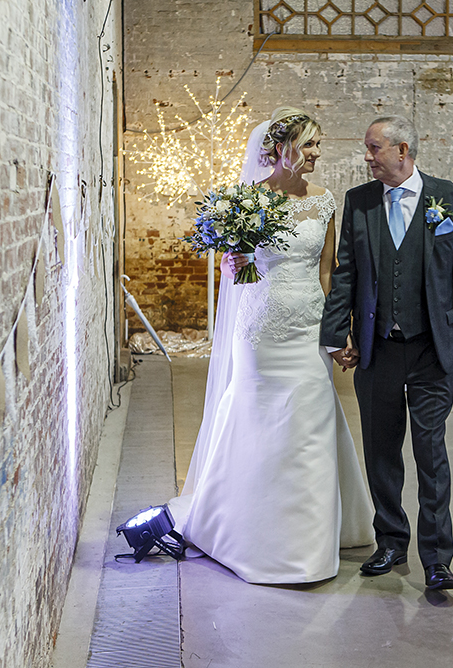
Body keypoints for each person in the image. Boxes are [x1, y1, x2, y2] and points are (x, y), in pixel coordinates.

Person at [168, 108, 374, 584]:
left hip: (307, 326)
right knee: (259, 418)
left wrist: (337, 327)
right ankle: (251, 532)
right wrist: (235, 261)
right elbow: (239, 273)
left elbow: (328, 271)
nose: (317, 154)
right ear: (280, 150)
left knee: (310, 419)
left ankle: (309, 538)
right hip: (259, 328)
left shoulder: (324, 203)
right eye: (309, 145)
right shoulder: (246, 203)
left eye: (318, 145)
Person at [320, 115, 453, 591]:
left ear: (402, 150)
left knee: (431, 452)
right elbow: (345, 274)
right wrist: (338, 334)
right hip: (378, 350)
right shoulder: (360, 202)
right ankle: (391, 541)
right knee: (381, 452)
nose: (367, 157)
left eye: (374, 148)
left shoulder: (447, 198)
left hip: (433, 348)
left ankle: (437, 558)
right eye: (367, 149)